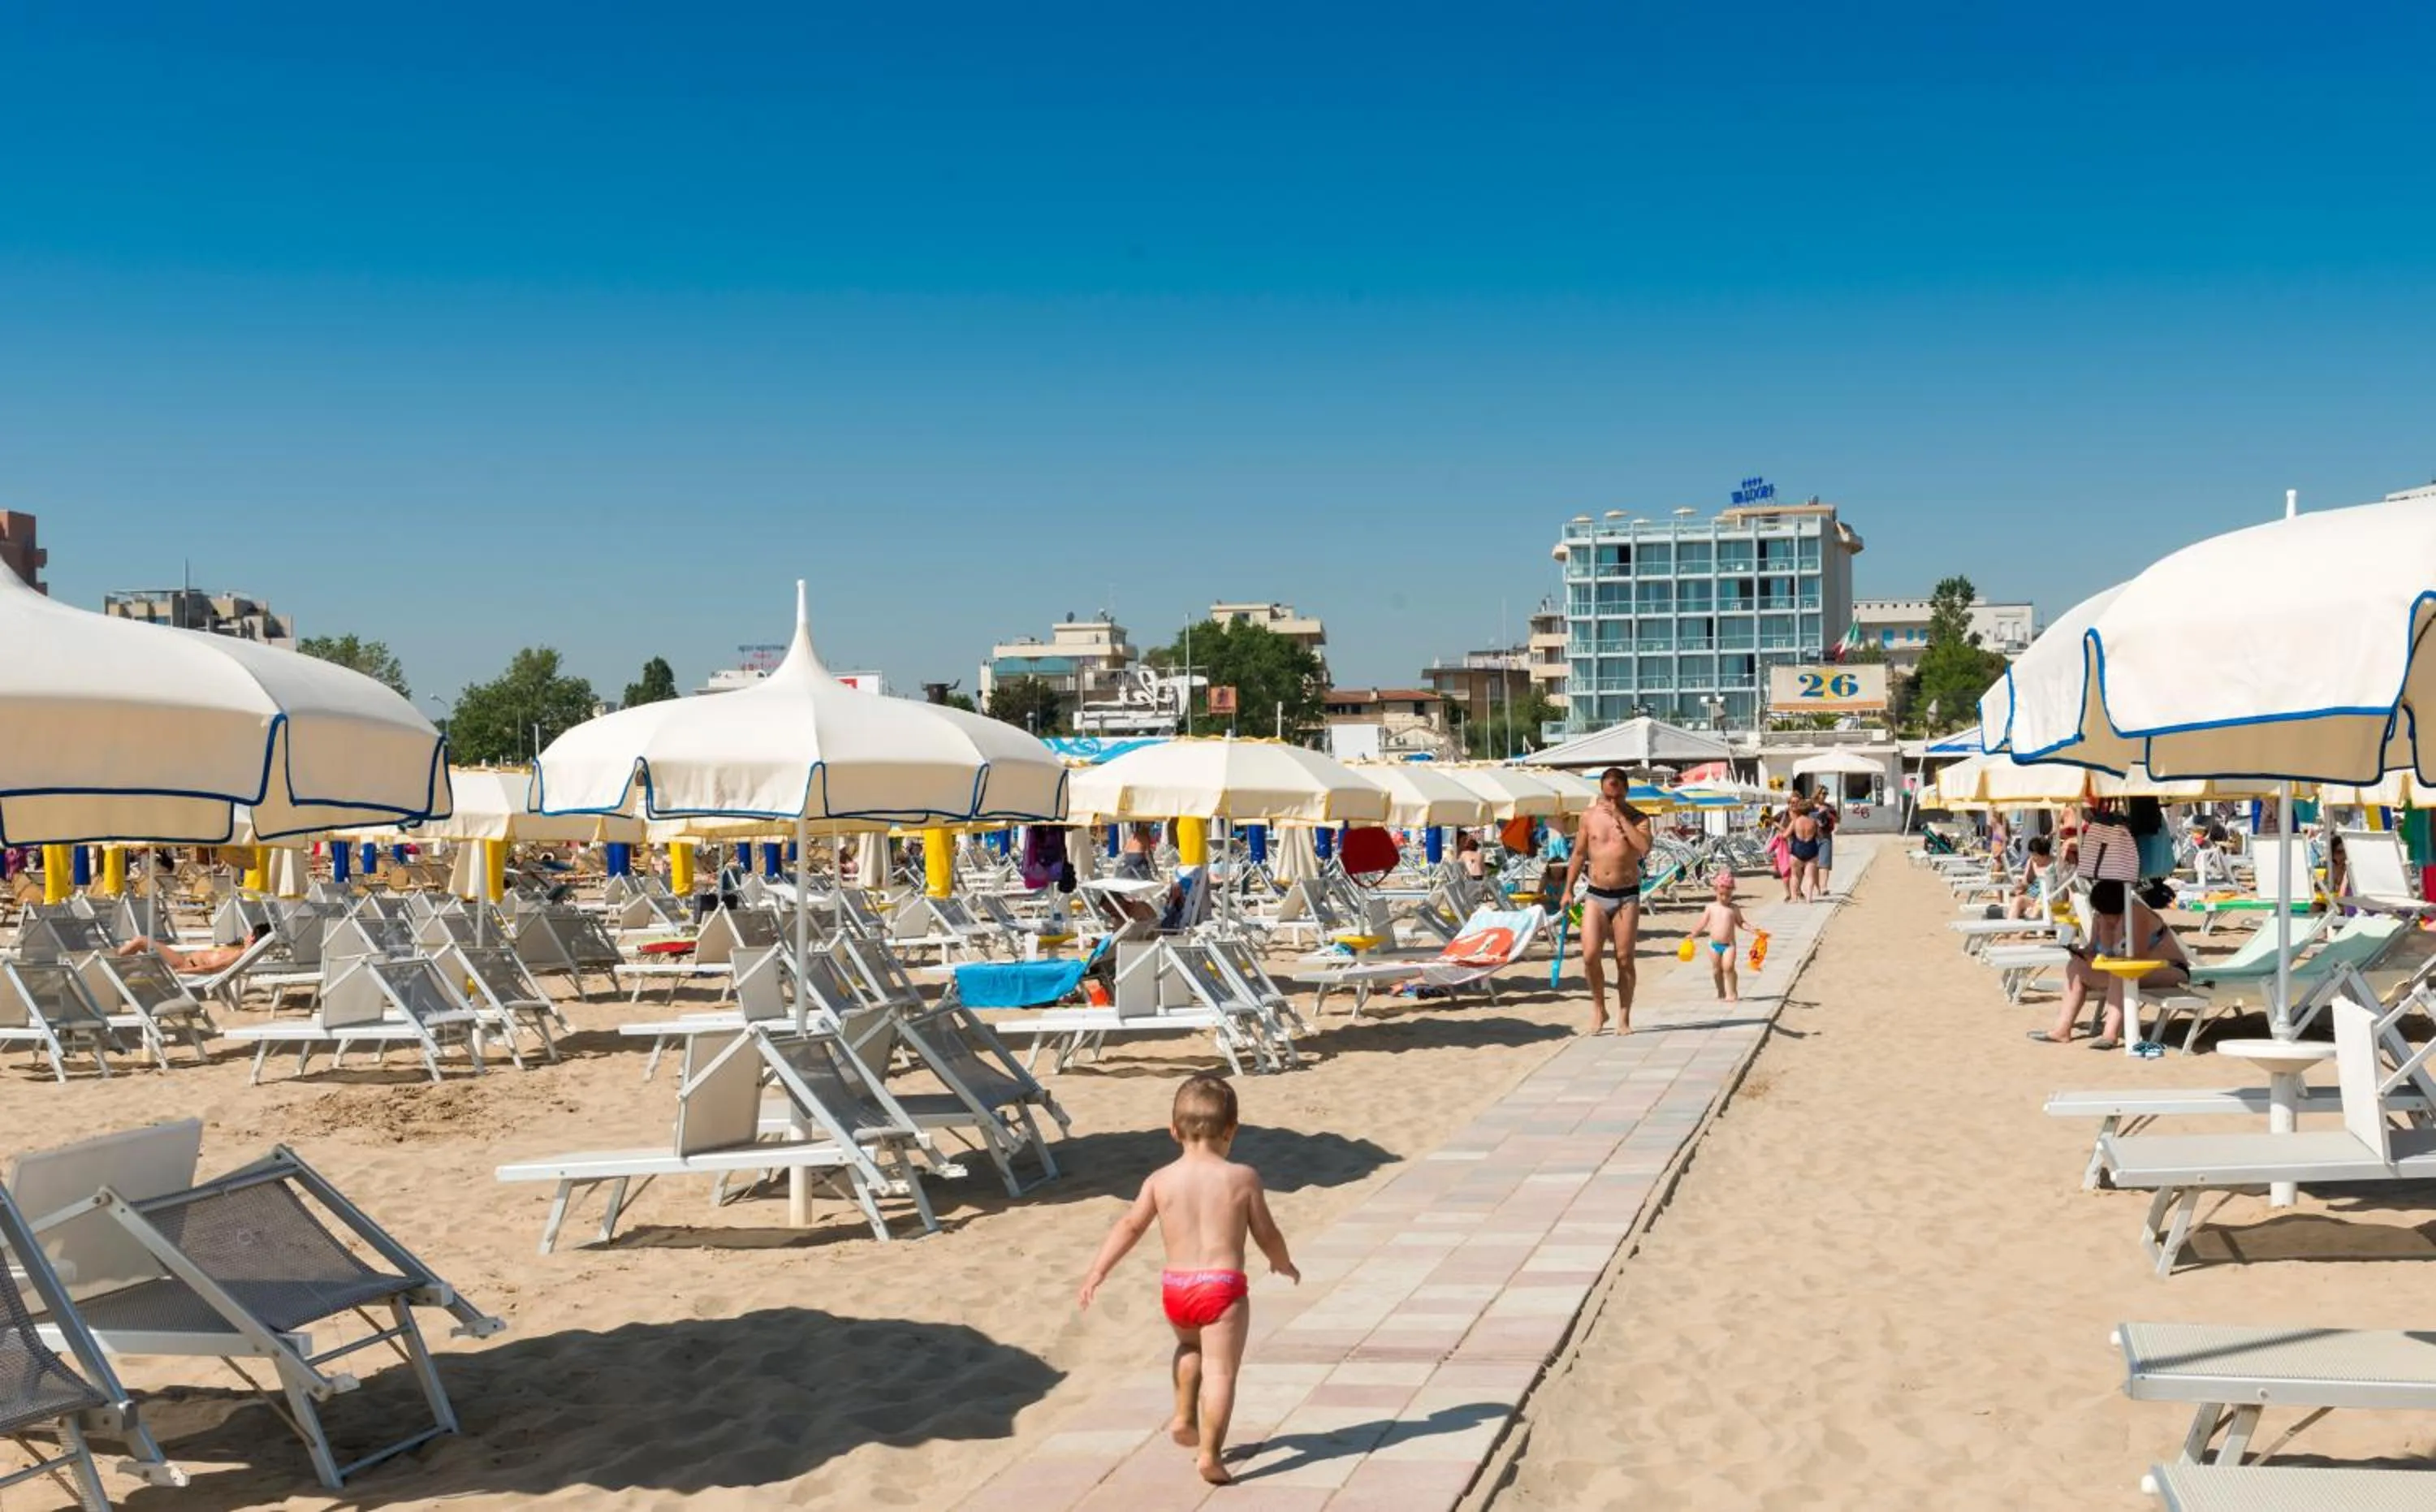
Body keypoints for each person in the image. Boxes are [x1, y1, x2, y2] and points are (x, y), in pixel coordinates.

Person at [1078, 1075, 1299, 1488]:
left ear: (1173, 1131)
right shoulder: (1242, 1177)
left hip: (1176, 1288)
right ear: (1232, 1130)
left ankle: (1183, 1414)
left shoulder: (1160, 1180)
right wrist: (1282, 1262)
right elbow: (1265, 1232)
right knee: (1220, 1372)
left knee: (1188, 1346)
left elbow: (1130, 1226)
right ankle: (1210, 1454)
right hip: (1222, 1287)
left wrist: (1098, 1270)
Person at [1559, 767, 1653, 1035]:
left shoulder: (1639, 818)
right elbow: (1578, 854)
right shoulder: (1588, 817)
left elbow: (1643, 847)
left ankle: (1624, 1016)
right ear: (1601, 789)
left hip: (1627, 895)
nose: (1611, 798)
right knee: (1589, 956)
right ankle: (1599, 1008)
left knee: (1624, 958)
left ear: (1625, 790)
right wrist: (1567, 889)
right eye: (1607, 792)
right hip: (1596, 894)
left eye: (1617, 792)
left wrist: (1621, 818)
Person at [2030, 892, 2189, 1047]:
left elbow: (2137, 955)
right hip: (2133, 971)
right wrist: (2082, 954)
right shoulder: (2100, 916)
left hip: (2171, 969)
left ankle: (2110, 1035)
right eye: (2101, 914)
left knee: (2119, 971)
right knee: (2075, 967)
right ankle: (2062, 1030)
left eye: (2109, 916)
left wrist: (2113, 934)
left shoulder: (2137, 914)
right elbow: (2093, 948)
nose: (2105, 918)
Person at [119, 922, 270, 976]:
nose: (246, 934)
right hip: (185, 960)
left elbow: (211, 969)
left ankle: (112, 959)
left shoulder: (238, 954)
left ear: (253, 938)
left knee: (141, 941)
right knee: (136, 964)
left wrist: (180, 972)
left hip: (184, 965)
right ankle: (113, 968)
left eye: (250, 933)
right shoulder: (240, 949)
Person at [1694, 872, 1750, 1003]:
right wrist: (1694, 933)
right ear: (1715, 891)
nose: (1725, 898)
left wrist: (1751, 929)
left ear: (1733, 893)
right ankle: (1721, 990)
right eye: (1721, 895)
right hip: (1713, 944)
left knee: (1729, 967)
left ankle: (1732, 992)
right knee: (1716, 970)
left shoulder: (1733, 908)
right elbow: (1702, 922)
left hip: (1729, 945)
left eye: (1728, 895)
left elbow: (1741, 922)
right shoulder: (1711, 907)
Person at [2005, 836, 2057, 920]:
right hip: (2032, 898)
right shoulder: (2032, 862)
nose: (2032, 857)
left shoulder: (2056, 864)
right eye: (2031, 854)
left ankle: (2021, 932)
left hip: (2047, 899)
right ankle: (2008, 929)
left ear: (2045, 855)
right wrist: (2020, 886)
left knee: (2036, 906)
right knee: (2018, 900)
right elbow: (2026, 882)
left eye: (2035, 855)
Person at [1785, 797, 1823, 902]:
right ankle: (1809, 897)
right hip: (1811, 848)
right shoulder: (1814, 822)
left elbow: (1785, 835)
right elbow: (1820, 836)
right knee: (1810, 875)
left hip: (1797, 848)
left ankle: (1794, 898)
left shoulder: (1795, 821)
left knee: (1795, 875)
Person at [1813, 799, 1838, 894]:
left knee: (1825, 863)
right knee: (1814, 864)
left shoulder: (1829, 807)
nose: (1824, 795)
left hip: (1826, 836)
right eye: (1823, 793)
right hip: (1813, 836)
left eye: (1826, 793)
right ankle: (1818, 888)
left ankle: (1824, 887)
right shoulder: (1810, 807)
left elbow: (1837, 819)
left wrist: (1828, 813)